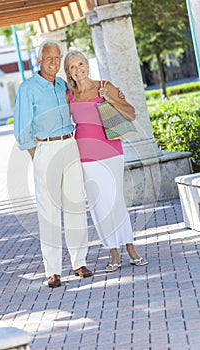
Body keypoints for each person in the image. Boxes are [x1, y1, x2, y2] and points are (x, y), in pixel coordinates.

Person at [13, 41, 92, 288]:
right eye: (49, 58)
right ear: (38, 60)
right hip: (45, 149)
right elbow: (21, 129)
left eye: (57, 58)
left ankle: (79, 262)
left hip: (69, 145)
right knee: (48, 212)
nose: (54, 62)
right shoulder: (27, 89)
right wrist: (38, 155)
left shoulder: (61, 84)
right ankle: (53, 270)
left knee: (75, 206)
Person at [64, 50, 148, 272]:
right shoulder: (68, 95)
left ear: (87, 65)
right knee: (99, 204)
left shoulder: (104, 85)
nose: (78, 69)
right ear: (68, 72)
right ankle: (113, 250)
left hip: (111, 150)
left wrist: (109, 98)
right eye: (72, 66)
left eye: (80, 64)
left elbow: (131, 113)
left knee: (116, 200)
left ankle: (130, 248)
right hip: (85, 155)